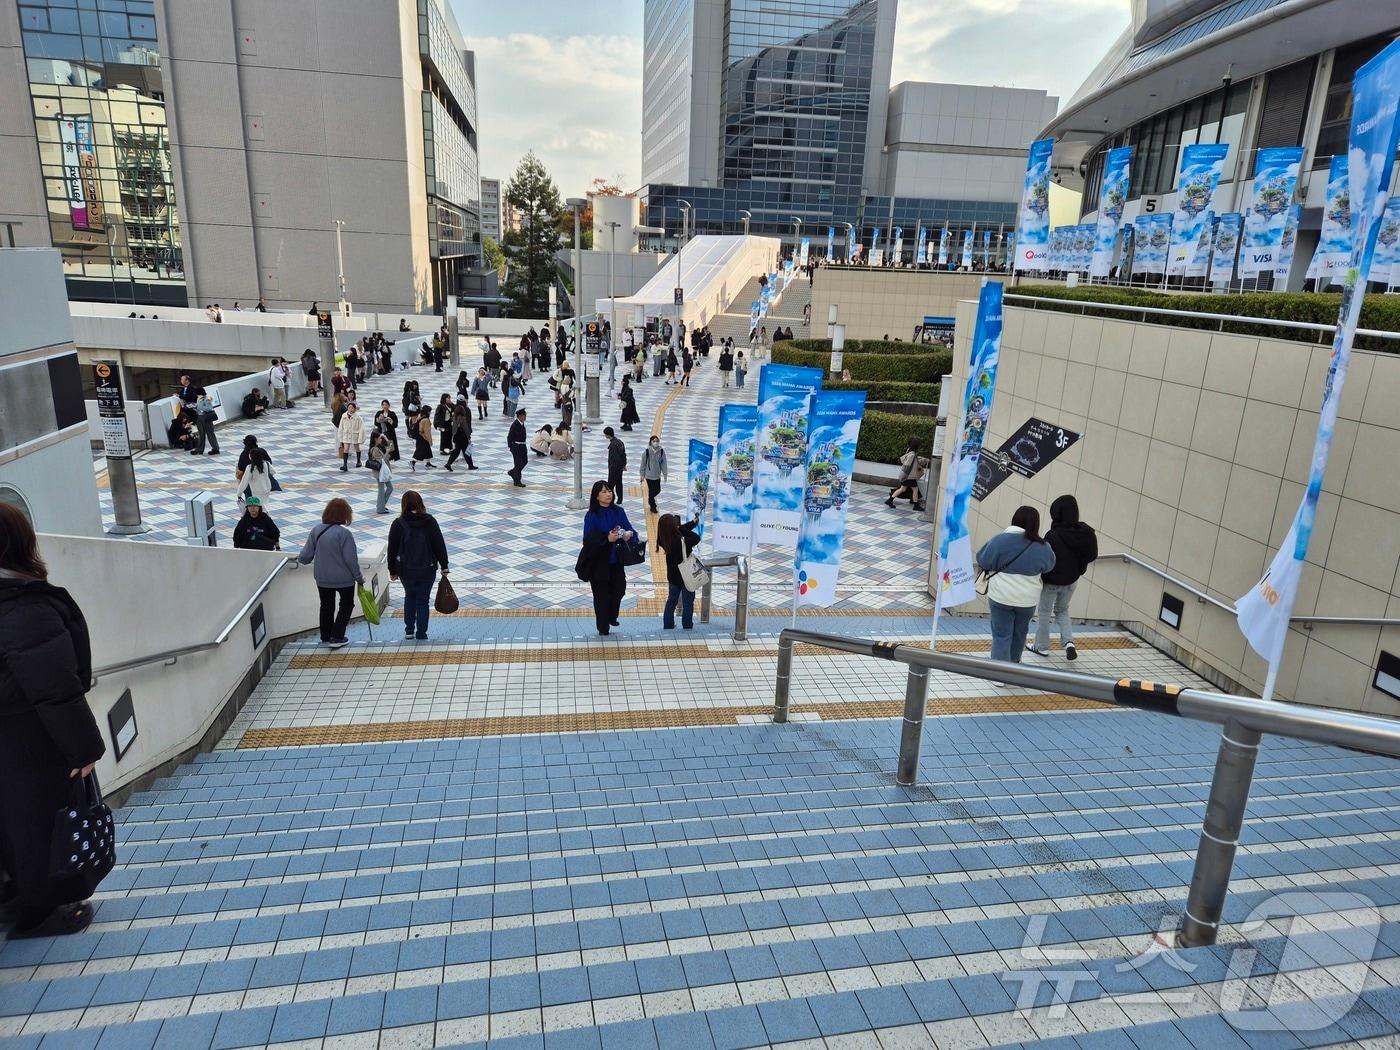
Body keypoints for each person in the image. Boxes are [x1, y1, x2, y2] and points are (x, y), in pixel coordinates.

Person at [0, 505, 107, 939]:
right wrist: (84, 750)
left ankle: (14, 898)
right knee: (36, 820)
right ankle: (40, 913)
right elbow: (54, 689)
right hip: (27, 739)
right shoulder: (24, 607)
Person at [975, 505, 1056, 664]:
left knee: (1001, 634)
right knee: (1020, 633)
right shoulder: (1043, 546)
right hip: (1027, 600)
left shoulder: (999, 540)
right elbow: (1049, 566)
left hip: (1001, 597)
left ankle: (999, 672)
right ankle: (1014, 665)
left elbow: (982, 559)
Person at [1029, 495, 1099, 661]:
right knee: (1062, 609)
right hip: (1072, 580)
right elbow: (1091, 555)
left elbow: (1044, 558)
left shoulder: (1053, 535)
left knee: (1045, 612)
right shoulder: (1087, 533)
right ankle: (1068, 643)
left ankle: (1041, 646)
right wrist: (1078, 565)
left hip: (1052, 581)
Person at [297, 498, 363, 648]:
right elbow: (351, 560)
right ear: (345, 515)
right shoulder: (344, 534)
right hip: (344, 579)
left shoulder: (316, 530)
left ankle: (326, 636)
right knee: (346, 605)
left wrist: (298, 558)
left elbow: (306, 556)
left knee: (326, 605)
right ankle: (337, 636)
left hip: (322, 578)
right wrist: (358, 578)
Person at [388, 490, 449, 641]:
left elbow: (392, 548)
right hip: (427, 568)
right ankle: (422, 633)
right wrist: (444, 565)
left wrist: (392, 569)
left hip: (406, 569)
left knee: (409, 596)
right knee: (423, 600)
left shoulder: (398, 523)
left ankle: (409, 630)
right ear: (420, 503)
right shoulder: (430, 521)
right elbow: (439, 544)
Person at [579, 481, 636, 636]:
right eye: (603, 492)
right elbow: (588, 541)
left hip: (616, 560)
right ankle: (603, 627)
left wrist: (628, 535)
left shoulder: (618, 512)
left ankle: (611, 616)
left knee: (619, 589)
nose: (608, 494)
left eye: (609, 490)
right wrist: (607, 539)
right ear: (596, 496)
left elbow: (632, 531)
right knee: (601, 596)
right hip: (598, 563)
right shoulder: (592, 515)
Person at [656, 513, 701, 630]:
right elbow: (696, 538)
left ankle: (668, 624)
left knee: (672, 600)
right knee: (688, 601)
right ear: (674, 526)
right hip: (686, 575)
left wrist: (691, 523)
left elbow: (680, 530)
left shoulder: (663, 538)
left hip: (672, 575)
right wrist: (681, 527)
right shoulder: (682, 540)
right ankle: (687, 625)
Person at [235, 435, 275, 509]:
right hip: (266, 487)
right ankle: (263, 517)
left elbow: (244, 480)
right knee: (263, 506)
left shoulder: (249, 465)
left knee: (252, 507)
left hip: (253, 488)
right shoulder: (264, 461)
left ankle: (256, 518)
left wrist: (239, 493)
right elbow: (272, 471)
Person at [886, 439, 927, 509]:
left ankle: (890, 500)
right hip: (909, 476)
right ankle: (916, 505)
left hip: (907, 476)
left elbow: (913, 461)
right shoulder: (912, 455)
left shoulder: (910, 452)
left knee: (903, 489)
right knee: (914, 490)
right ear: (916, 446)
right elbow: (907, 465)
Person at [445, 399, 476, 471]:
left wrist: (454, 435)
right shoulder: (463, 418)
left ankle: (449, 464)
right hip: (463, 437)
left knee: (457, 451)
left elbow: (454, 428)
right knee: (467, 451)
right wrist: (469, 437)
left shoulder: (454, 418)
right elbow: (466, 429)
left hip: (456, 437)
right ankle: (470, 465)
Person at [367, 432, 394, 514]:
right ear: (375, 439)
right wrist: (387, 452)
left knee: (389, 488)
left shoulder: (379, 446)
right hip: (380, 473)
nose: (381, 439)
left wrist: (386, 439)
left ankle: (381, 505)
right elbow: (382, 461)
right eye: (379, 438)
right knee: (382, 490)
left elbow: (392, 447)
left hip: (383, 472)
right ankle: (380, 508)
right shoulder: (374, 449)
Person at [639, 435, 667, 513]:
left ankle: (650, 500)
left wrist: (665, 474)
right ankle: (653, 506)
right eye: (654, 441)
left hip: (657, 475)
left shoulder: (661, 451)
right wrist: (642, 475)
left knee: (658, 490)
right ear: (650, 442)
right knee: (651, 491)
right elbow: (643, 464)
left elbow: (664, 463)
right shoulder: (646, 452)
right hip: (649, 476)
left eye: (657, 441)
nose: (655, 443)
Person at [506, 408, 528, 487]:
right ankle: (517, 481)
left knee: (525, 461)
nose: (526, 417)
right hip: (517, 447)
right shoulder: (515, 425)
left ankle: (512, 472)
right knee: (518, 464)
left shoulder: (521, 423)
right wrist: (511, 447)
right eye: (524, 415)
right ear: (520, 416)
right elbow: (509, 436)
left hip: (522, 446)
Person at [605, 426, 627, 504]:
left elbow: (615, 458)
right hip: (619, 468)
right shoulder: (619, 442)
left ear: (607, 435)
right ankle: (620, 499)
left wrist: (614, 467)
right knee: (619, 484)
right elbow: (623, 454)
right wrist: (623, 465)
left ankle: (610, 500)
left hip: (614, 468)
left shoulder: (613, 445)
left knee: (610, 485)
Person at [410, 406, 435, 471]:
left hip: (419, 437)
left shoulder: (420, 416)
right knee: (420, 451)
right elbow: (427, 432)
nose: (430, 413)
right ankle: (412, 462)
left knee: (427, 450)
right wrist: (429, 440)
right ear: (428, 412)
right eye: (430, 411)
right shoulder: (426, 420)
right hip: (423, 438)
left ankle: (428, 463)